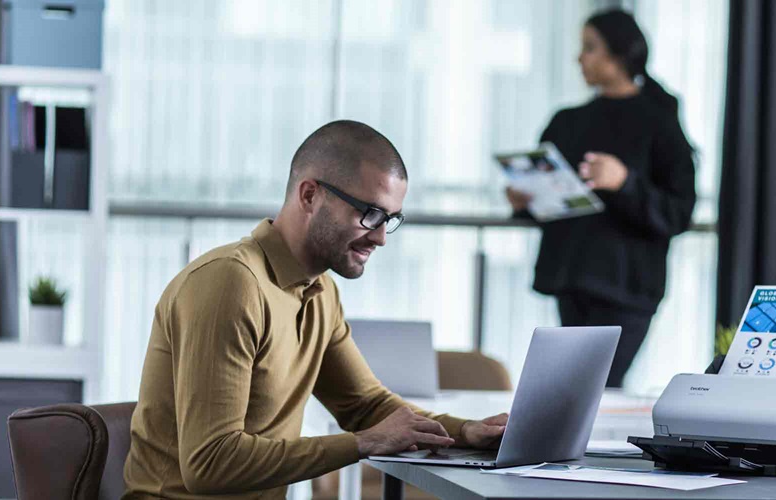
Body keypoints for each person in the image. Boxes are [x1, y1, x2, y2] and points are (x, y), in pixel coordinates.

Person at [124, 120, 507, 499]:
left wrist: (466, 431)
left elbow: (366, 405)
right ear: (309, 196)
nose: (380, 237)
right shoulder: (230, 284)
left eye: (389, 220)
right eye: (370, 214)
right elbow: (210, 463)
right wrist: (361, 444)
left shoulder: (320, 291)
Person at [506, 9, 696, 388]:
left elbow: (677, 213)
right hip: (572, 279)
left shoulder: (659, 122)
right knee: (573, 391)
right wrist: (527, 202)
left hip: (628, 288)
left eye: (590, 48)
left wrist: (623, 181)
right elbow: (555, 204)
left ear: (621, 54)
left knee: (595, 390)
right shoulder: (566, 121)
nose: (580, 58)